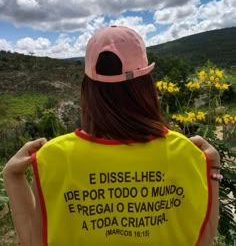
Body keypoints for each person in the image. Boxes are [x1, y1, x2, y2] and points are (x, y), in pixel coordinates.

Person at [3, 26, 221, 246]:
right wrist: (212, 169)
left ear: (87, 89)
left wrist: (13, 176)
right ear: (146, 86)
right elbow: (202, 238)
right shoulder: (183, 153)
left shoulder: (55, 157)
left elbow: (35, 242)